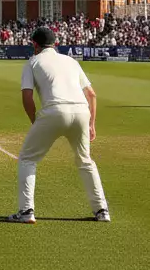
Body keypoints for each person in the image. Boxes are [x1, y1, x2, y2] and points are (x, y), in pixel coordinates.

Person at [8, 27, 109, 224]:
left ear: (35, 45)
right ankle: (102, 210)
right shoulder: (71, 61)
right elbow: (92, 95)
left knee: (27, 159)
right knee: (85, 161)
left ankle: (26, 211)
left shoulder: (32, 62)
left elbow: (27, 96)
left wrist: (35, 121)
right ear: (55, 44)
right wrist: (91, 124)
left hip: (54, 111)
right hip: (81, 111)